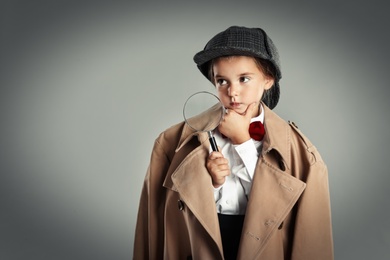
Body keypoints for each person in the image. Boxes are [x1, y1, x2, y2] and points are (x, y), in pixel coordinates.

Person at [133, 26, 333, 260]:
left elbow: (311, 239)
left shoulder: (302, 154)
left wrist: (242, 141)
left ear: (268, 79)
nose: (233, 92)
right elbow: (152, 227)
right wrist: (213, 184)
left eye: (244, 79)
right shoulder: (171, 142)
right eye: (222, 81)